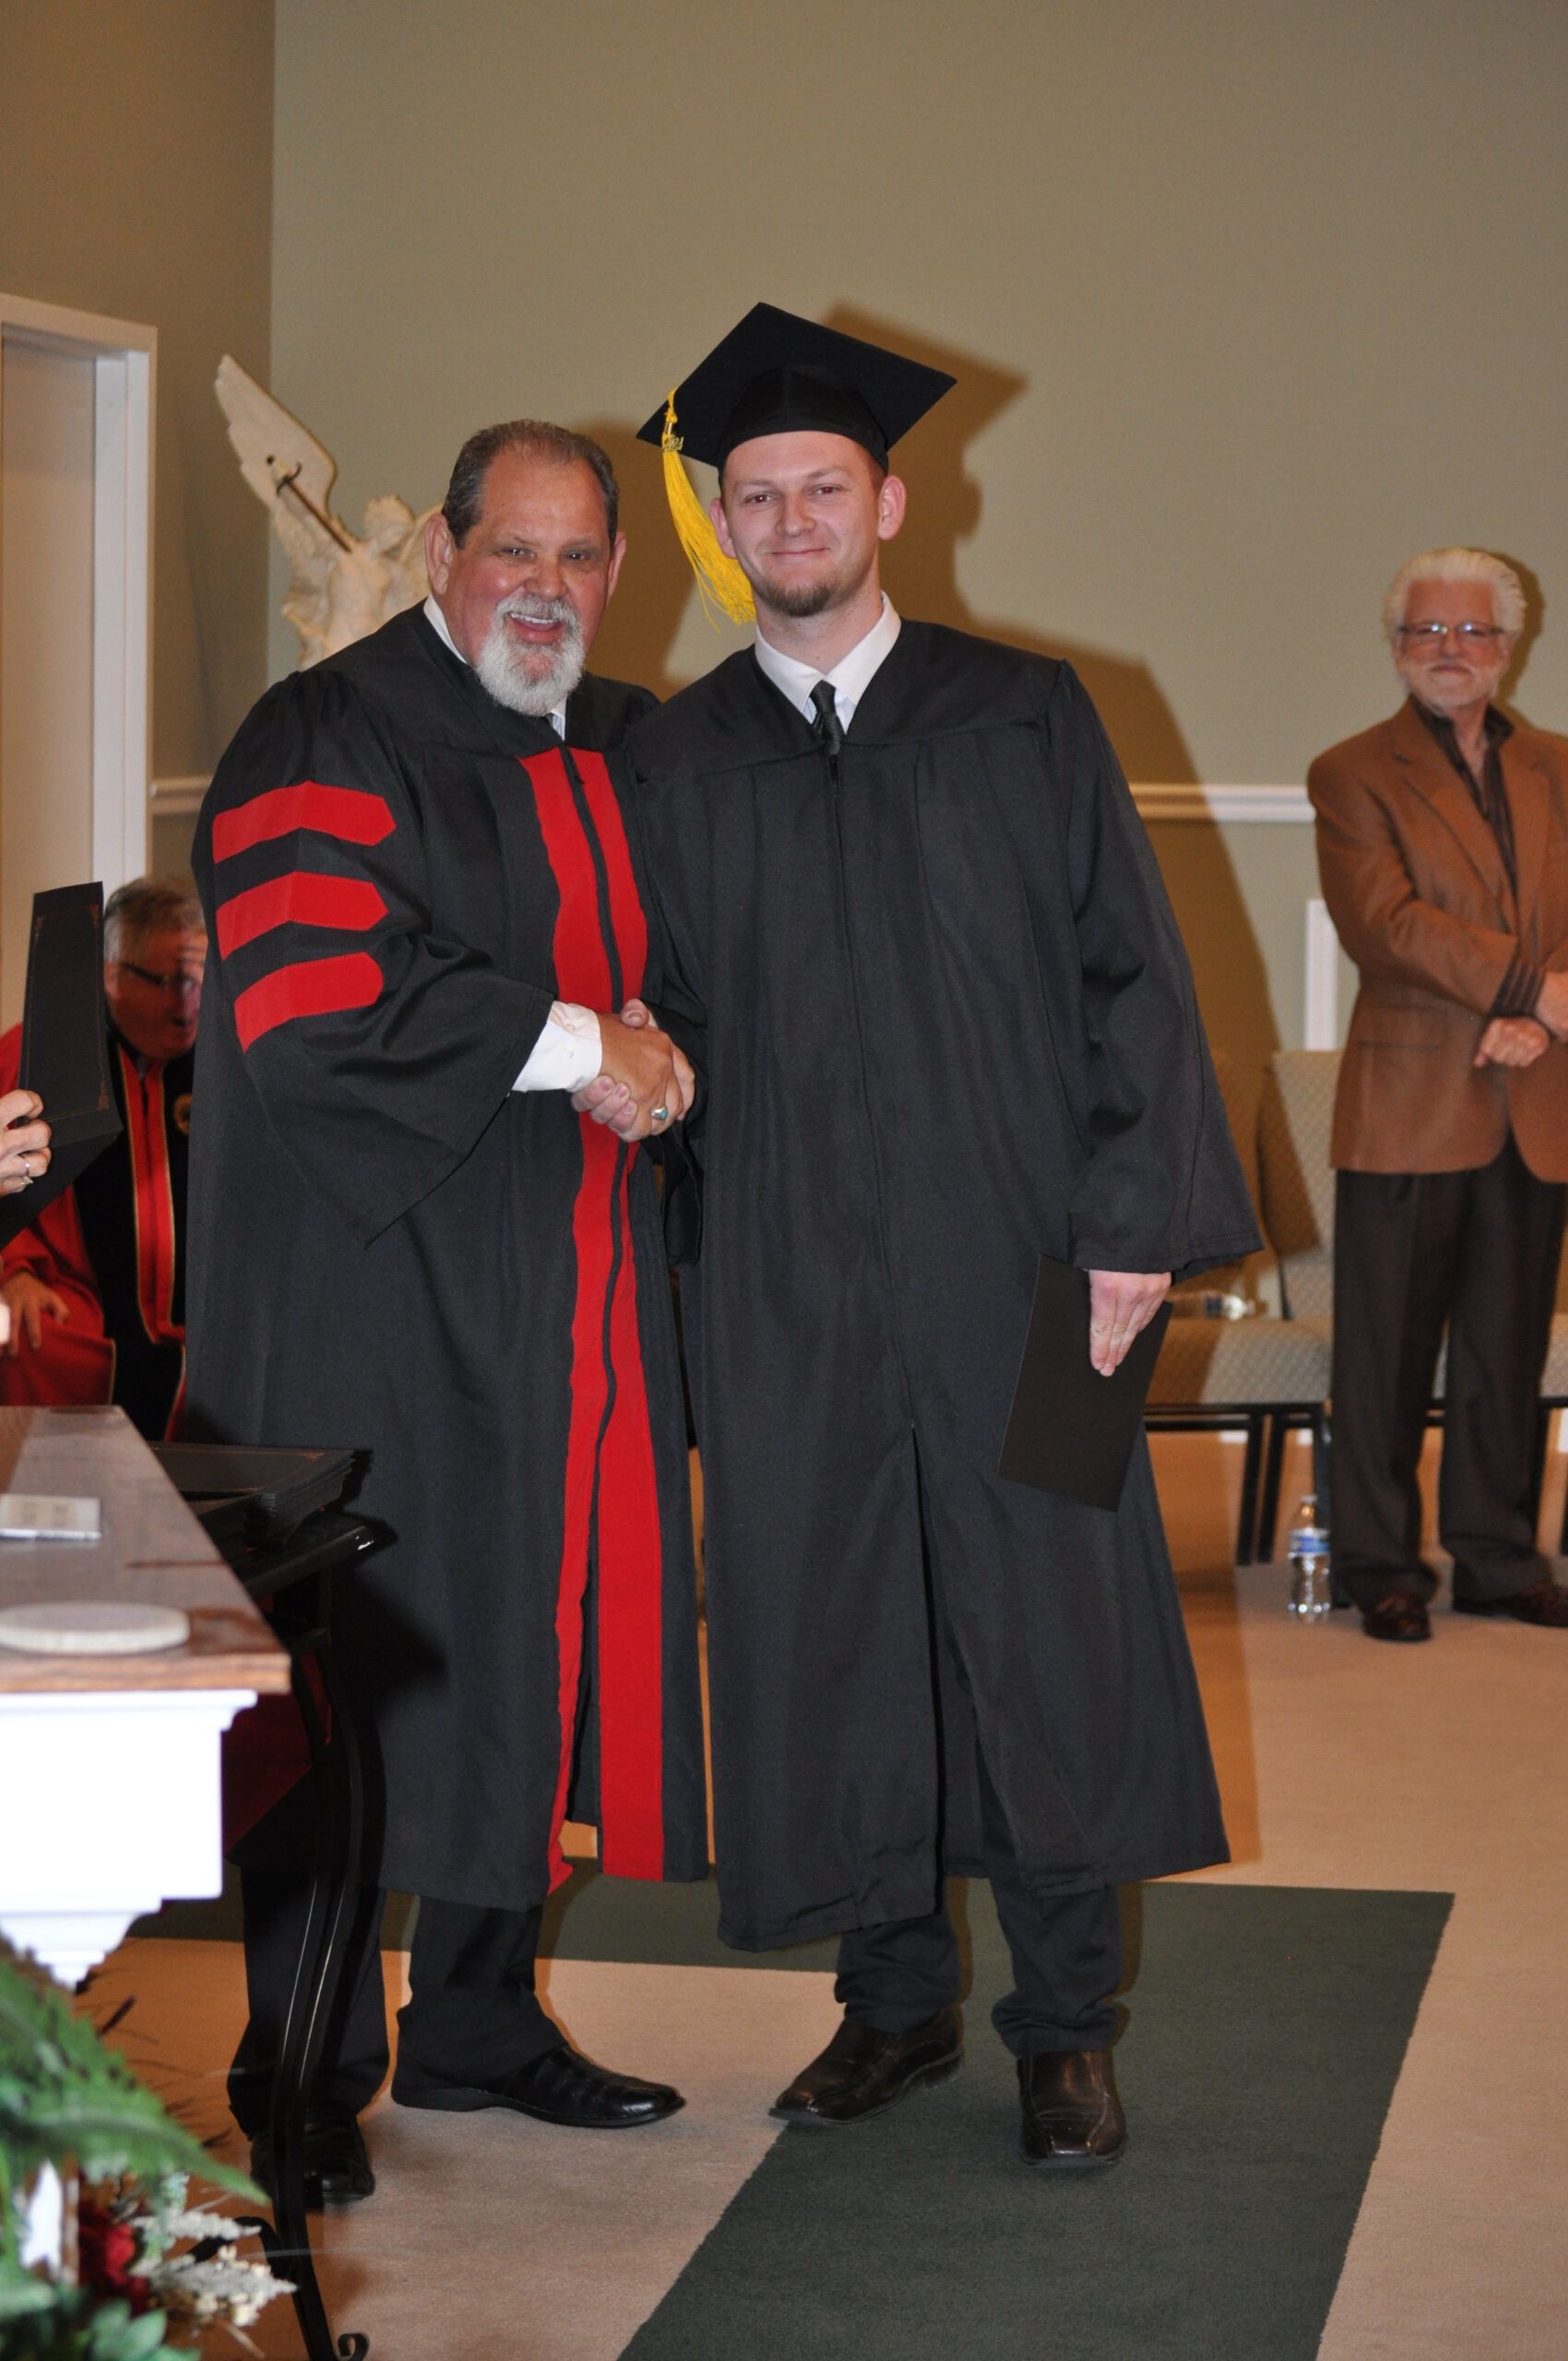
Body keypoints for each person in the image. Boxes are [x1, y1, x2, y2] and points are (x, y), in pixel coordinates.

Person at [609, 308, 1257, 2169]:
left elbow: (1135, 976)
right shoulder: (680, 758)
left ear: (889, 500)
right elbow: (657, 1018)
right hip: (789, 1286)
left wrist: (1138, 1227)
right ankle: (891, 2001)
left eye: (823, 485)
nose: (791, 516)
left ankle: (1065, 2026)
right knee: (828, 1624)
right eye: (757, 495)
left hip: (1051, 1280)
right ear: (725, 525)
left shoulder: (1024, 710)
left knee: (1051, 1634)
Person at [187, 420, 707, 2208]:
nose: (543, 593)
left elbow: (704, 958)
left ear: (615, 574)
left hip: (565, 1293)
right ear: (439, 556)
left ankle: (479, 2012)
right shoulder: (320, 734)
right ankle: (298, 2066)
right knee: (354, 1673)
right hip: (361, 1302)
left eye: (578, 560)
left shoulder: (628, 744)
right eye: (513, 554)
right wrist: (590, 1045)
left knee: (527, 1650)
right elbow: (324, 998)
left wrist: (672, 1044)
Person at [1309, 548, 1568, 1643]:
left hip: (1537, 1094)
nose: (1447, 652)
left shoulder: (1559, 766)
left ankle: (1496, 1557)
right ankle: (1378, 1563)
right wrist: (1526, 987)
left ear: (1509, 647)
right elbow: (1385, 923)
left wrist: (1543, 1014)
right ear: (1395, 645)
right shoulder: (1351, 771)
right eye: (1425, 633)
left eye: (1470, 633)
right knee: (1382, 1353)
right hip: (1409, 1099)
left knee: (1504, 1349)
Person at [0, 877, 202, 1439]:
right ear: (113, 976)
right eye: (172, 982)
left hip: (203, 1314)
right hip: (84, 1302)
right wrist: (14, 1273)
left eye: (201, 981)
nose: (190, 1006)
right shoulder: (41, 1053)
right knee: (30, 1336)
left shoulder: (226, 1064)